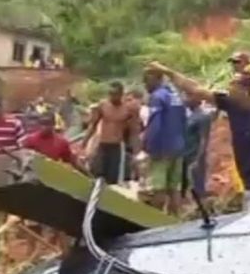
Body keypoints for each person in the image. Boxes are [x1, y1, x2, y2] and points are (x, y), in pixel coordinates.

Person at [149, 62, 250, 211]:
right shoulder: (231, 104)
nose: (228, 89)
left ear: (246, 91)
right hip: (249, 186)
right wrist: (167, 71)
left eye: (233, 85)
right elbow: (196, 90)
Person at [144, 68, 188, 214]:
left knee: (158, 187)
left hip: (162, 148)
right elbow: (184, 120)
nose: (145, 86)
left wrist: (150, 147)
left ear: (156, 79)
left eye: (147, 81)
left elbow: (155, 125)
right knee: (174, 187)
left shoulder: (157, 97)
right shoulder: (175, 95)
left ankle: (155, 222)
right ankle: (175, 220)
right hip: (178, 146)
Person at [84, 82, 140, 185]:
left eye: (115, 94)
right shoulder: (102, 105)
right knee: (96, 173)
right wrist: (84, 144)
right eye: (110, 93)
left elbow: (134, 132)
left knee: (113, 177)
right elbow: (93, 125)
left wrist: (136, 153)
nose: (112, 96)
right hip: (102, 144)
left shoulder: (128, 109)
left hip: (117, 146)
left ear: (121, 94)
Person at [182, 103, 213, 200]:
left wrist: (198, 157)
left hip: (195, 154)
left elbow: (204, 139)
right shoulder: (187, 115)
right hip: (184, 154)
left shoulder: (203, 117)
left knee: (197, 185)